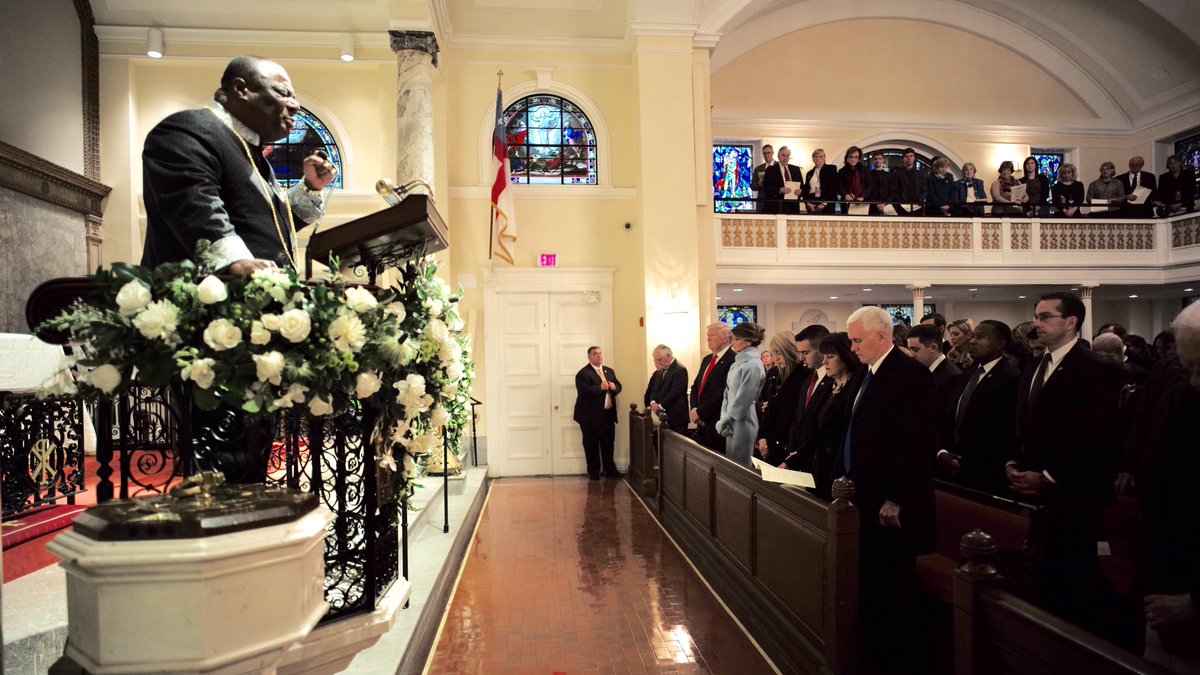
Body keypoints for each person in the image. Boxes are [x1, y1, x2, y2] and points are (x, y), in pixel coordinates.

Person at [141, 55, 337, 273]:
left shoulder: (250, 150)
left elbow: (265, 225)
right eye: (283, 93)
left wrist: (310, 187)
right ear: (241, 89)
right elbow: (194, 207)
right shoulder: (189, 129)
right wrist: (235, 262)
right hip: (201, 299)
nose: (295, 106)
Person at [1006, 292, 1124, 628]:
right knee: (1039, 575)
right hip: (1029, 487)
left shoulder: (1097, 369)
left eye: (1045, 317)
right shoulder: (1033, 365)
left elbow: (1093, 437)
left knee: (1072, 577)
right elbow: (1019, 423)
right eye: (1037, 316)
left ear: (1071, 322)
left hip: (1073, 492)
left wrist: (1047, 475)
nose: (1036, 324)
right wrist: (1011, 463)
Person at [839, 305, 937, 669]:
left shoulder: (910, 374)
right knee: (873, 579)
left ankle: (899, 658)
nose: (853, 348)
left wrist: (896, 497)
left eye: (858, 340)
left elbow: (914, 442)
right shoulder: (867, 374)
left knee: (894, 582)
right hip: (862, 493)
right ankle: (874, 649)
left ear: (882, 335)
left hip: (891, 501)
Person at [1140, 302, 1200, 671]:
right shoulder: (1187, 399)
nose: (1195, 380)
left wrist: (1196, 601)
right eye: (1188, 367)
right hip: (1172, 581)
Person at [937, 320, 1020, 494]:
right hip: (951, 468)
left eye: (980, 337)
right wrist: (942, 451)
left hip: (986, 475)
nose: (972, 341)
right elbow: (947, 419)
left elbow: (1005, 430)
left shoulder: (1012, 379)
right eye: (973, 336)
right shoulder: (964, 376)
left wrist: (967, 460)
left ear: (1000, 344)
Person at [784, 332, 864, 497]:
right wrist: (793, 459)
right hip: (817, 467)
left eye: (831, 356)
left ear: (845, 357)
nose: (824, 361)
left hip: (839, 472)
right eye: (824, 356)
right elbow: (812, 427)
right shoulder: (827, 386)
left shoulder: (855, 389)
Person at [716, 322, 767, 467]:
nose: (733, 342)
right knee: (732, 462)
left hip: (744, 419)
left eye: (737, 339)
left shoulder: (754, 364)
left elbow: (744, 398)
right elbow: (727, 393)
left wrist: (726, 419)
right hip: (731, 419)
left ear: (749, 341)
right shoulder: (736, 364)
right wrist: (723, 416)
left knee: (741, 465)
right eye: (733, 338)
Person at [573, 346, 623, 480]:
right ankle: (594, 472)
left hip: (607, 416)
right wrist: (599, 388)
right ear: (589, 357)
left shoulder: (609, 371)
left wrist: (615, 388)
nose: (599, 356)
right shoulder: (583, 373)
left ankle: (609, 469)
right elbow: (583, 391)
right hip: (590, 417)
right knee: (591, 445)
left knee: (608, 445)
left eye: (600, 353)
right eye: (595, 354)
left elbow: (619, 385)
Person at [690, 322, 736, 453]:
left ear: (725, 338)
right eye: (707, 335)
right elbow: (695, 386)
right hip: (702, 423)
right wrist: (694, 408)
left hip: (717, 421)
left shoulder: (732, 360)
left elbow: (723, 392)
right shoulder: (707, 359)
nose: (708, 339)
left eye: (712, 335)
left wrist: (700, 412)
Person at [907, 323, 961, 414]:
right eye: (909, 349)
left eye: (915, 350)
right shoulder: (924, 371)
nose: (911, 355)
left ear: (933, 347)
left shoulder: (952, 376)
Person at [643, 344, 689, 431]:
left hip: (676, 417)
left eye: (659, 360)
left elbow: (675, 392)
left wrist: (660, 406)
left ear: (668, 356)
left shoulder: (680, 370)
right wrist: (652, 402)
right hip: (662, 416)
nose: (658, 363)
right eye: (656, 360)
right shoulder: (661, 370)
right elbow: (654, 389)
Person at [761, 146, 803, 215]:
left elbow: (802, 187)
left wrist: (800, 191)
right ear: (778, 156)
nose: (785, 158)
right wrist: (780, 190)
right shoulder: (771, 170)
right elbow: (767, 188)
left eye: (787, 156)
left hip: (793, 207)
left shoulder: (796, 169)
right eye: (783, 155)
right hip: (777, 206)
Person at [890, 147, 927, 215]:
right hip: (903, 206)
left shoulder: (920, 173)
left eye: (911, 156)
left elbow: (924, 190)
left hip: (917, 206)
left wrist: (920, 201)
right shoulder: (897, 173)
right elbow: (894, 190)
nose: (909, 158)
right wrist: (900, 202)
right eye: (906, 156)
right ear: (903, 159)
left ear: (914, 158)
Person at [804, 148, 840, 214]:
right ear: (813, 159)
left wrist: (824, 203)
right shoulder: (809, 173)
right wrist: (808, 203)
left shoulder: (831, 169)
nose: (818, 158)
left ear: (824, 158)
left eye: (820, 156)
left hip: (827, 203)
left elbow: (833, 187)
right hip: (812, 204)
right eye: (815, 156)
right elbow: (805, 190)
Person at [837, 146, 869, 215]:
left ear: (859, 158)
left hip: (862, 202)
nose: (853, 159)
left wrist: (863, 196)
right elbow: (838, 186)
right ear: (847, 158)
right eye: (851, 156)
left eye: (856, 157)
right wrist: (845, 195)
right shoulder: (842, 171)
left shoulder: (864, 169)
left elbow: (870, 185)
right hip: (847, 202)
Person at [750, 144, 776, 213]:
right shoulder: (758, 169)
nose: (766, 155)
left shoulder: (779, 167)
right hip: (762, 201)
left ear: (772, 153)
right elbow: (753, 186)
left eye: (768, 153)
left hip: (776, 200)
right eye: (764, 153)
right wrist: (759, 184)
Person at [865, 151, 892, 215]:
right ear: (873, 160)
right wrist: (875, 203)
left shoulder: (889, 175)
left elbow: (892, 191)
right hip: (871, 205)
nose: (878, 161)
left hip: (886, 205)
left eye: (880, 159)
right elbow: (866, 190)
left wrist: (884, 203)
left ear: (883, 160)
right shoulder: (868, 174)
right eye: (876, 159)